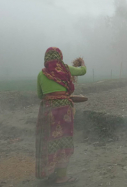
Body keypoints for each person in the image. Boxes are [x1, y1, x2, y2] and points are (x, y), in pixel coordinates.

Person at [36, 47, 86, 185]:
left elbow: (40, 95)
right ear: (59, 57)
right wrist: (81, 62)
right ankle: (61, 177)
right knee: (63, 141)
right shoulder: (65, 69)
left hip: (47, 110)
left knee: (48, 141)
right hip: (64, 109)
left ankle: (49, 174)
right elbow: (83, 71)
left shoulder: (41, 74)